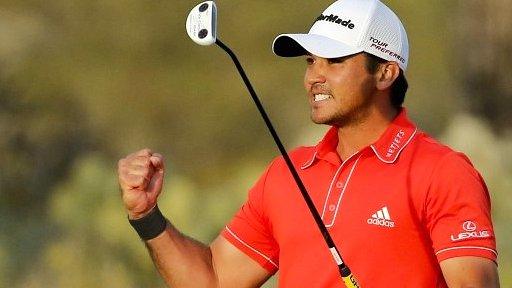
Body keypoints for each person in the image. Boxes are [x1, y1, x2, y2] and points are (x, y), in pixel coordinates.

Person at [117, 0, 499, 287]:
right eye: (310, 61)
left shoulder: (441, 171)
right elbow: (215, 280)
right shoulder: (287, 173)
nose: (314, 77)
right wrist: (146, 216)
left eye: (333, 61)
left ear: (385, 73)